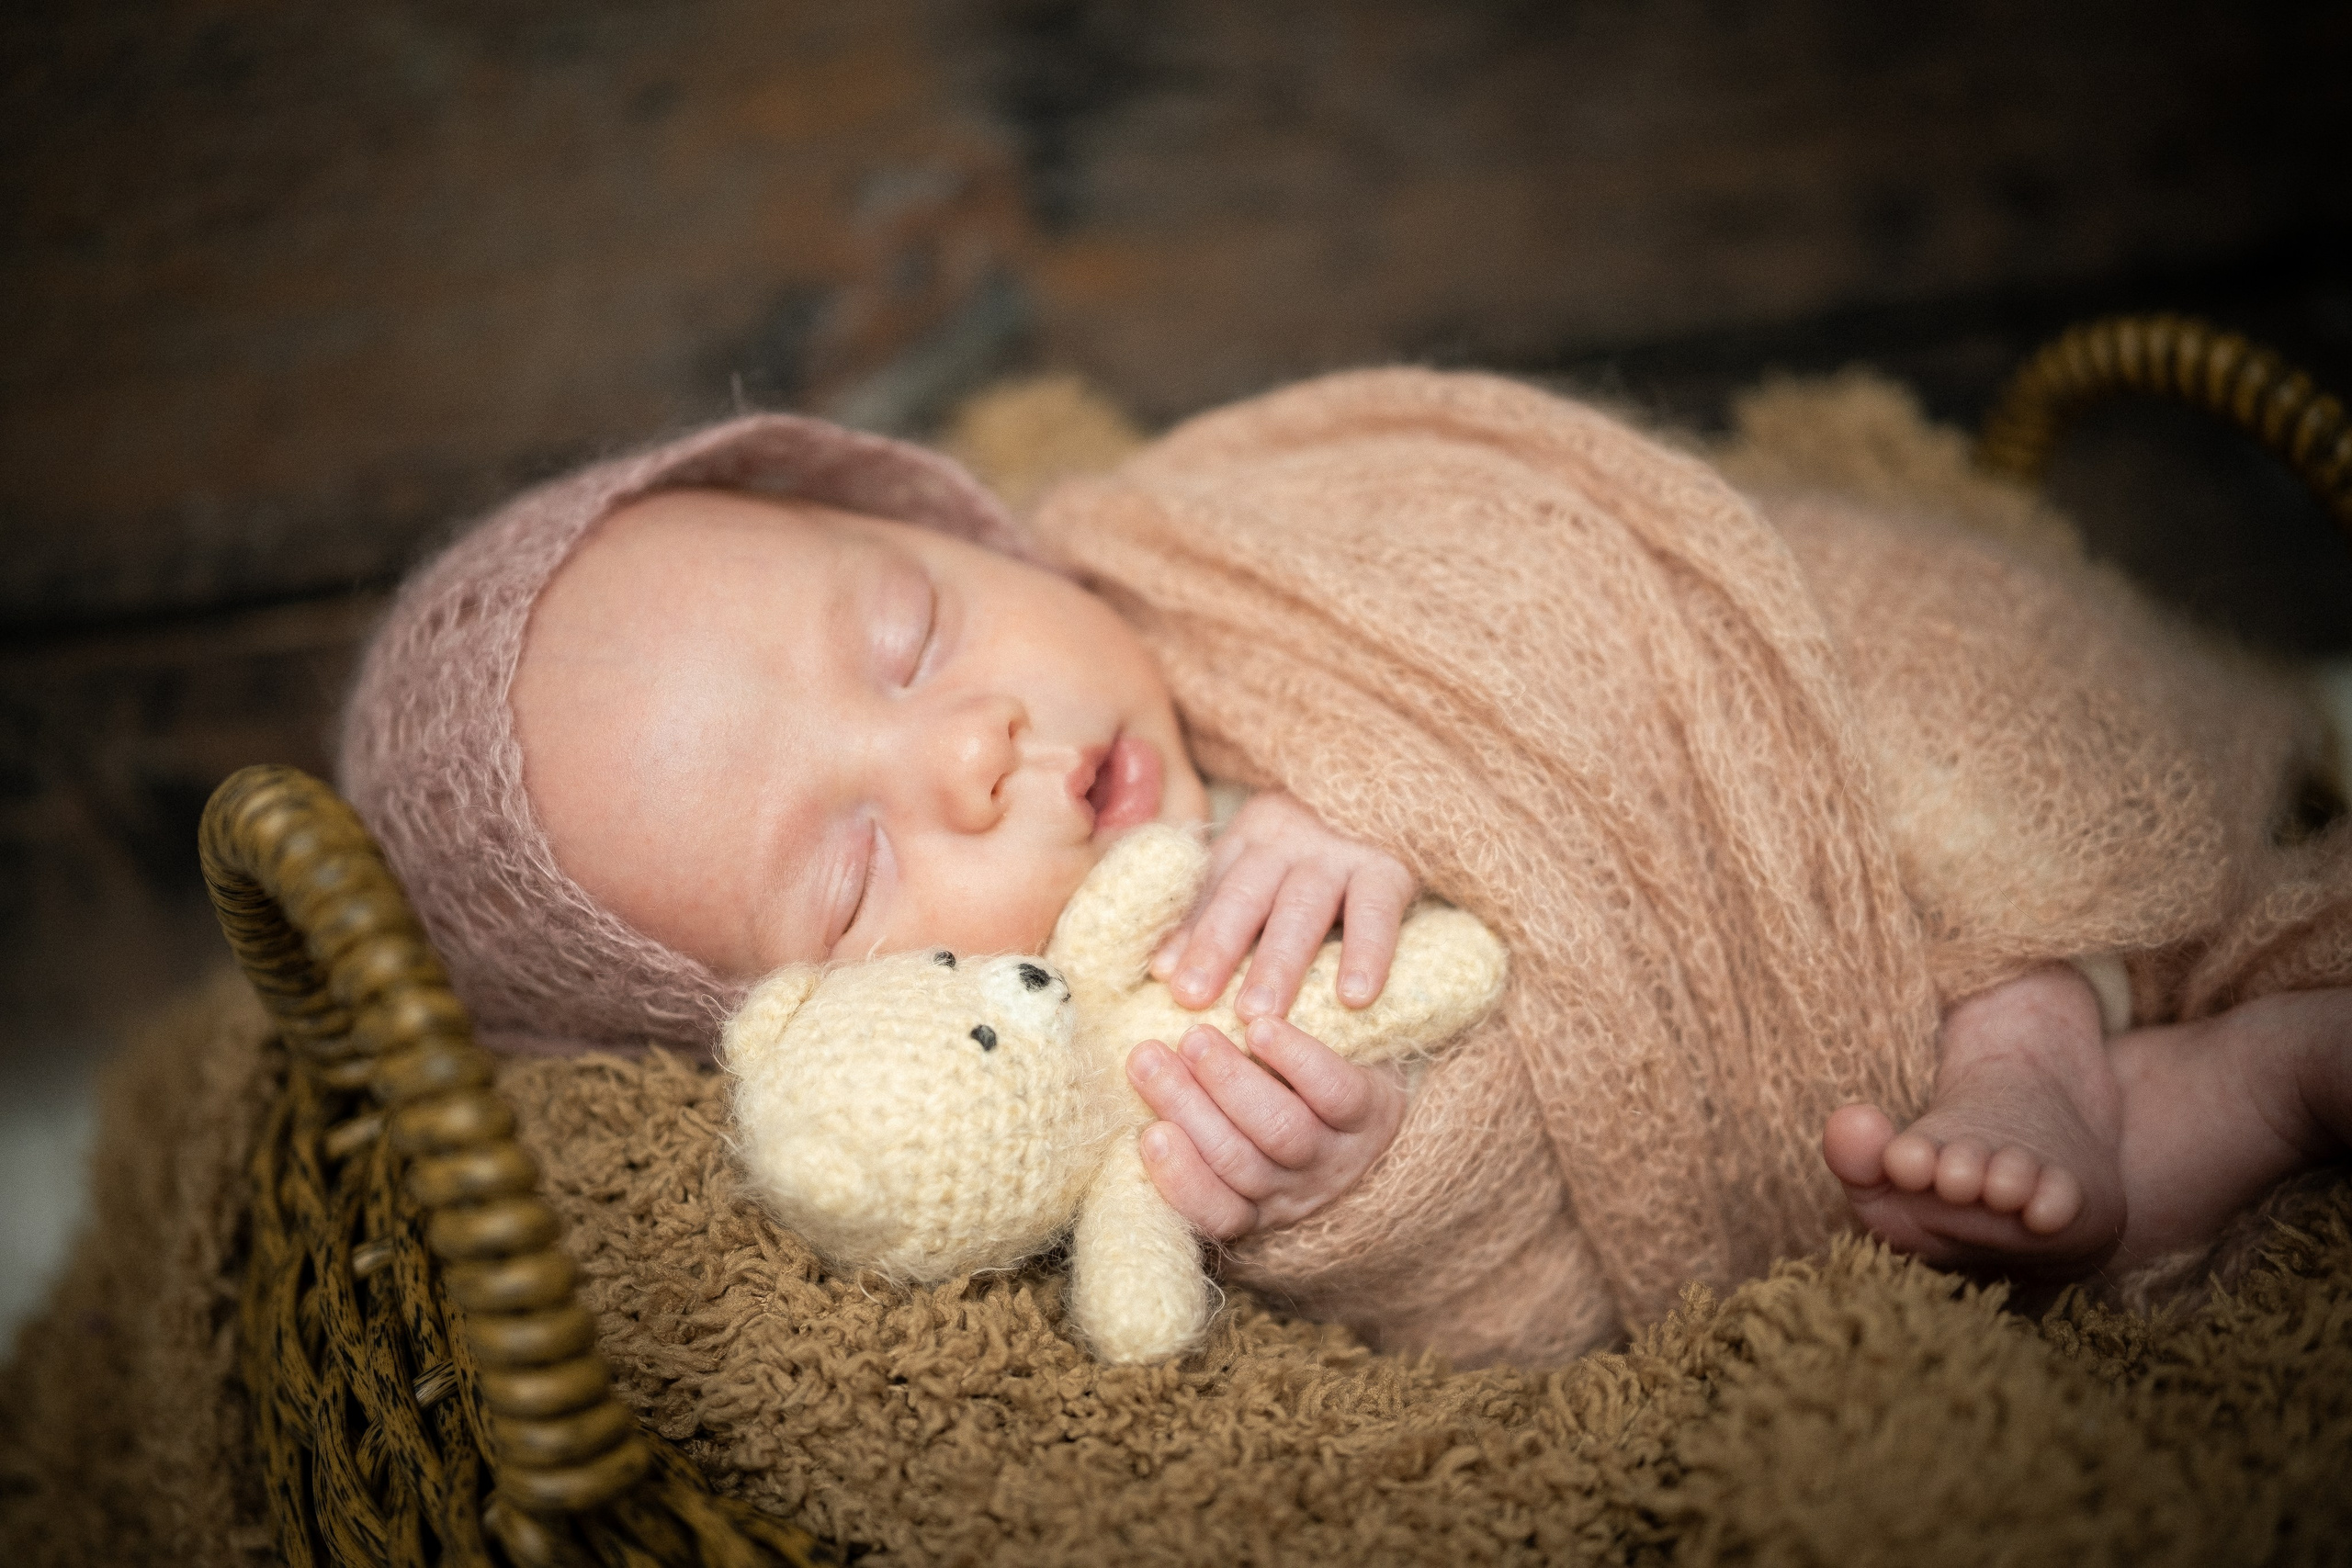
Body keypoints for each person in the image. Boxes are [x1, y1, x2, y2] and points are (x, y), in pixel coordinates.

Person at [341, 372, 2352, 1363]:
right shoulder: (1124, 1078)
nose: (968, 749)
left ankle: (2054, 1006)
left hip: (1800, 723)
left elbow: (1532, 546)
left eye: (910, 633)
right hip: (1796, 1051)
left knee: (1950, 776)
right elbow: (1538, 1264)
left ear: (952, 518)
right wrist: (1334, 1185)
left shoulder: (1196, 540)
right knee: (1909, 1174)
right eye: (853, 871)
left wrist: (1388, 779)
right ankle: (2225, 1081)